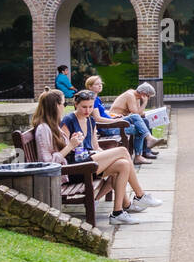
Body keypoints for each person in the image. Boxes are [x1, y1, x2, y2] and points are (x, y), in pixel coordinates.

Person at [58, 90, 162, 225]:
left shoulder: (90, 120)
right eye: (84, 107)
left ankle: (117, 213)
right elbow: (65, 150)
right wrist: (74, 144)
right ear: (75, 104)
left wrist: (107, 157)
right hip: (76, 167)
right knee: (123, 150)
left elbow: (95, 146)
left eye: (90, 107)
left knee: (123, 164)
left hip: (90, 160)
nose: (87, 110)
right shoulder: (69, 120)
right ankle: (140, 195)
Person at [109, 82, 160, 164]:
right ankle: (144, 151)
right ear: (143, 94)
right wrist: (145, 103)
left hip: (124, 120)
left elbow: (139, 113)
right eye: (148, 96)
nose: (149, 98)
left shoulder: (136, 97)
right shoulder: (130, 95)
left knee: (146, 120)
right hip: (116, 122)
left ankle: (145, 150)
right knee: (141, 126)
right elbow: (136, 114)